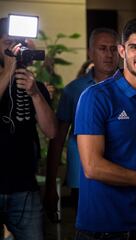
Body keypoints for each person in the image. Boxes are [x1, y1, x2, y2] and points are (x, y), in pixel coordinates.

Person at [73, 18, 136, 239]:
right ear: (122, 51)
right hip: (101, 228)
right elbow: (92, 166)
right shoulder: (95, 97)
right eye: (134, 47)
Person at [43, 28, 120, 220]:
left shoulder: (129, 87)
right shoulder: (74, 90)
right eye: (102, 48)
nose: (109, 55)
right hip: (83, 179)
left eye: (113, 49)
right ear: (90, 52)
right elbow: (57, 139)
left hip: (121, 175)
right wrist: (51, 185)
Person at [0, 17, 57, 240]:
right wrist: (8, 69)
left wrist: (35, 93)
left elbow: (52, 131)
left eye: (18, 44)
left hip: (24, 188)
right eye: (7, 43)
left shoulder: (35, 84)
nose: (14, 49)